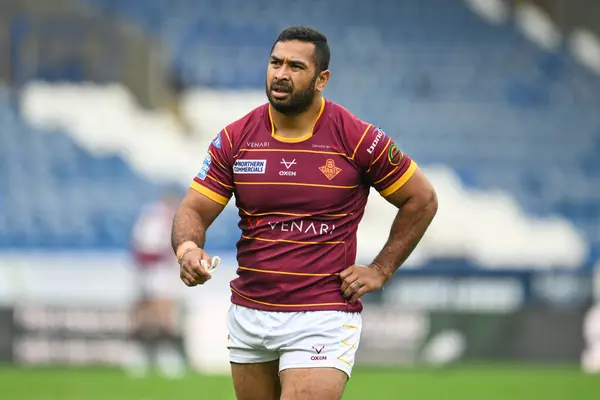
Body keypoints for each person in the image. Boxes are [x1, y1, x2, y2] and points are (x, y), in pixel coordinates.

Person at [171, 26, 438, 400]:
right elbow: (193, 210)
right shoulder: (235, 138)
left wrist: (381, 268)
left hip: (322, 315)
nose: (281, 73)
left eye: (295, 66)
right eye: (275, 62)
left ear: (321, 79)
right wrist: (187, 250)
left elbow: (422, 199)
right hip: (250, 311)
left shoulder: (357, 138)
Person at [127, 188, 186, 378]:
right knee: (150, 313)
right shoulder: (155, 218)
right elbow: (143, 246)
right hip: (151, 271)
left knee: (162, 314)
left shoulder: (168, 219)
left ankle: (162, 355)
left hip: (160, 272)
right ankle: (143, 355)